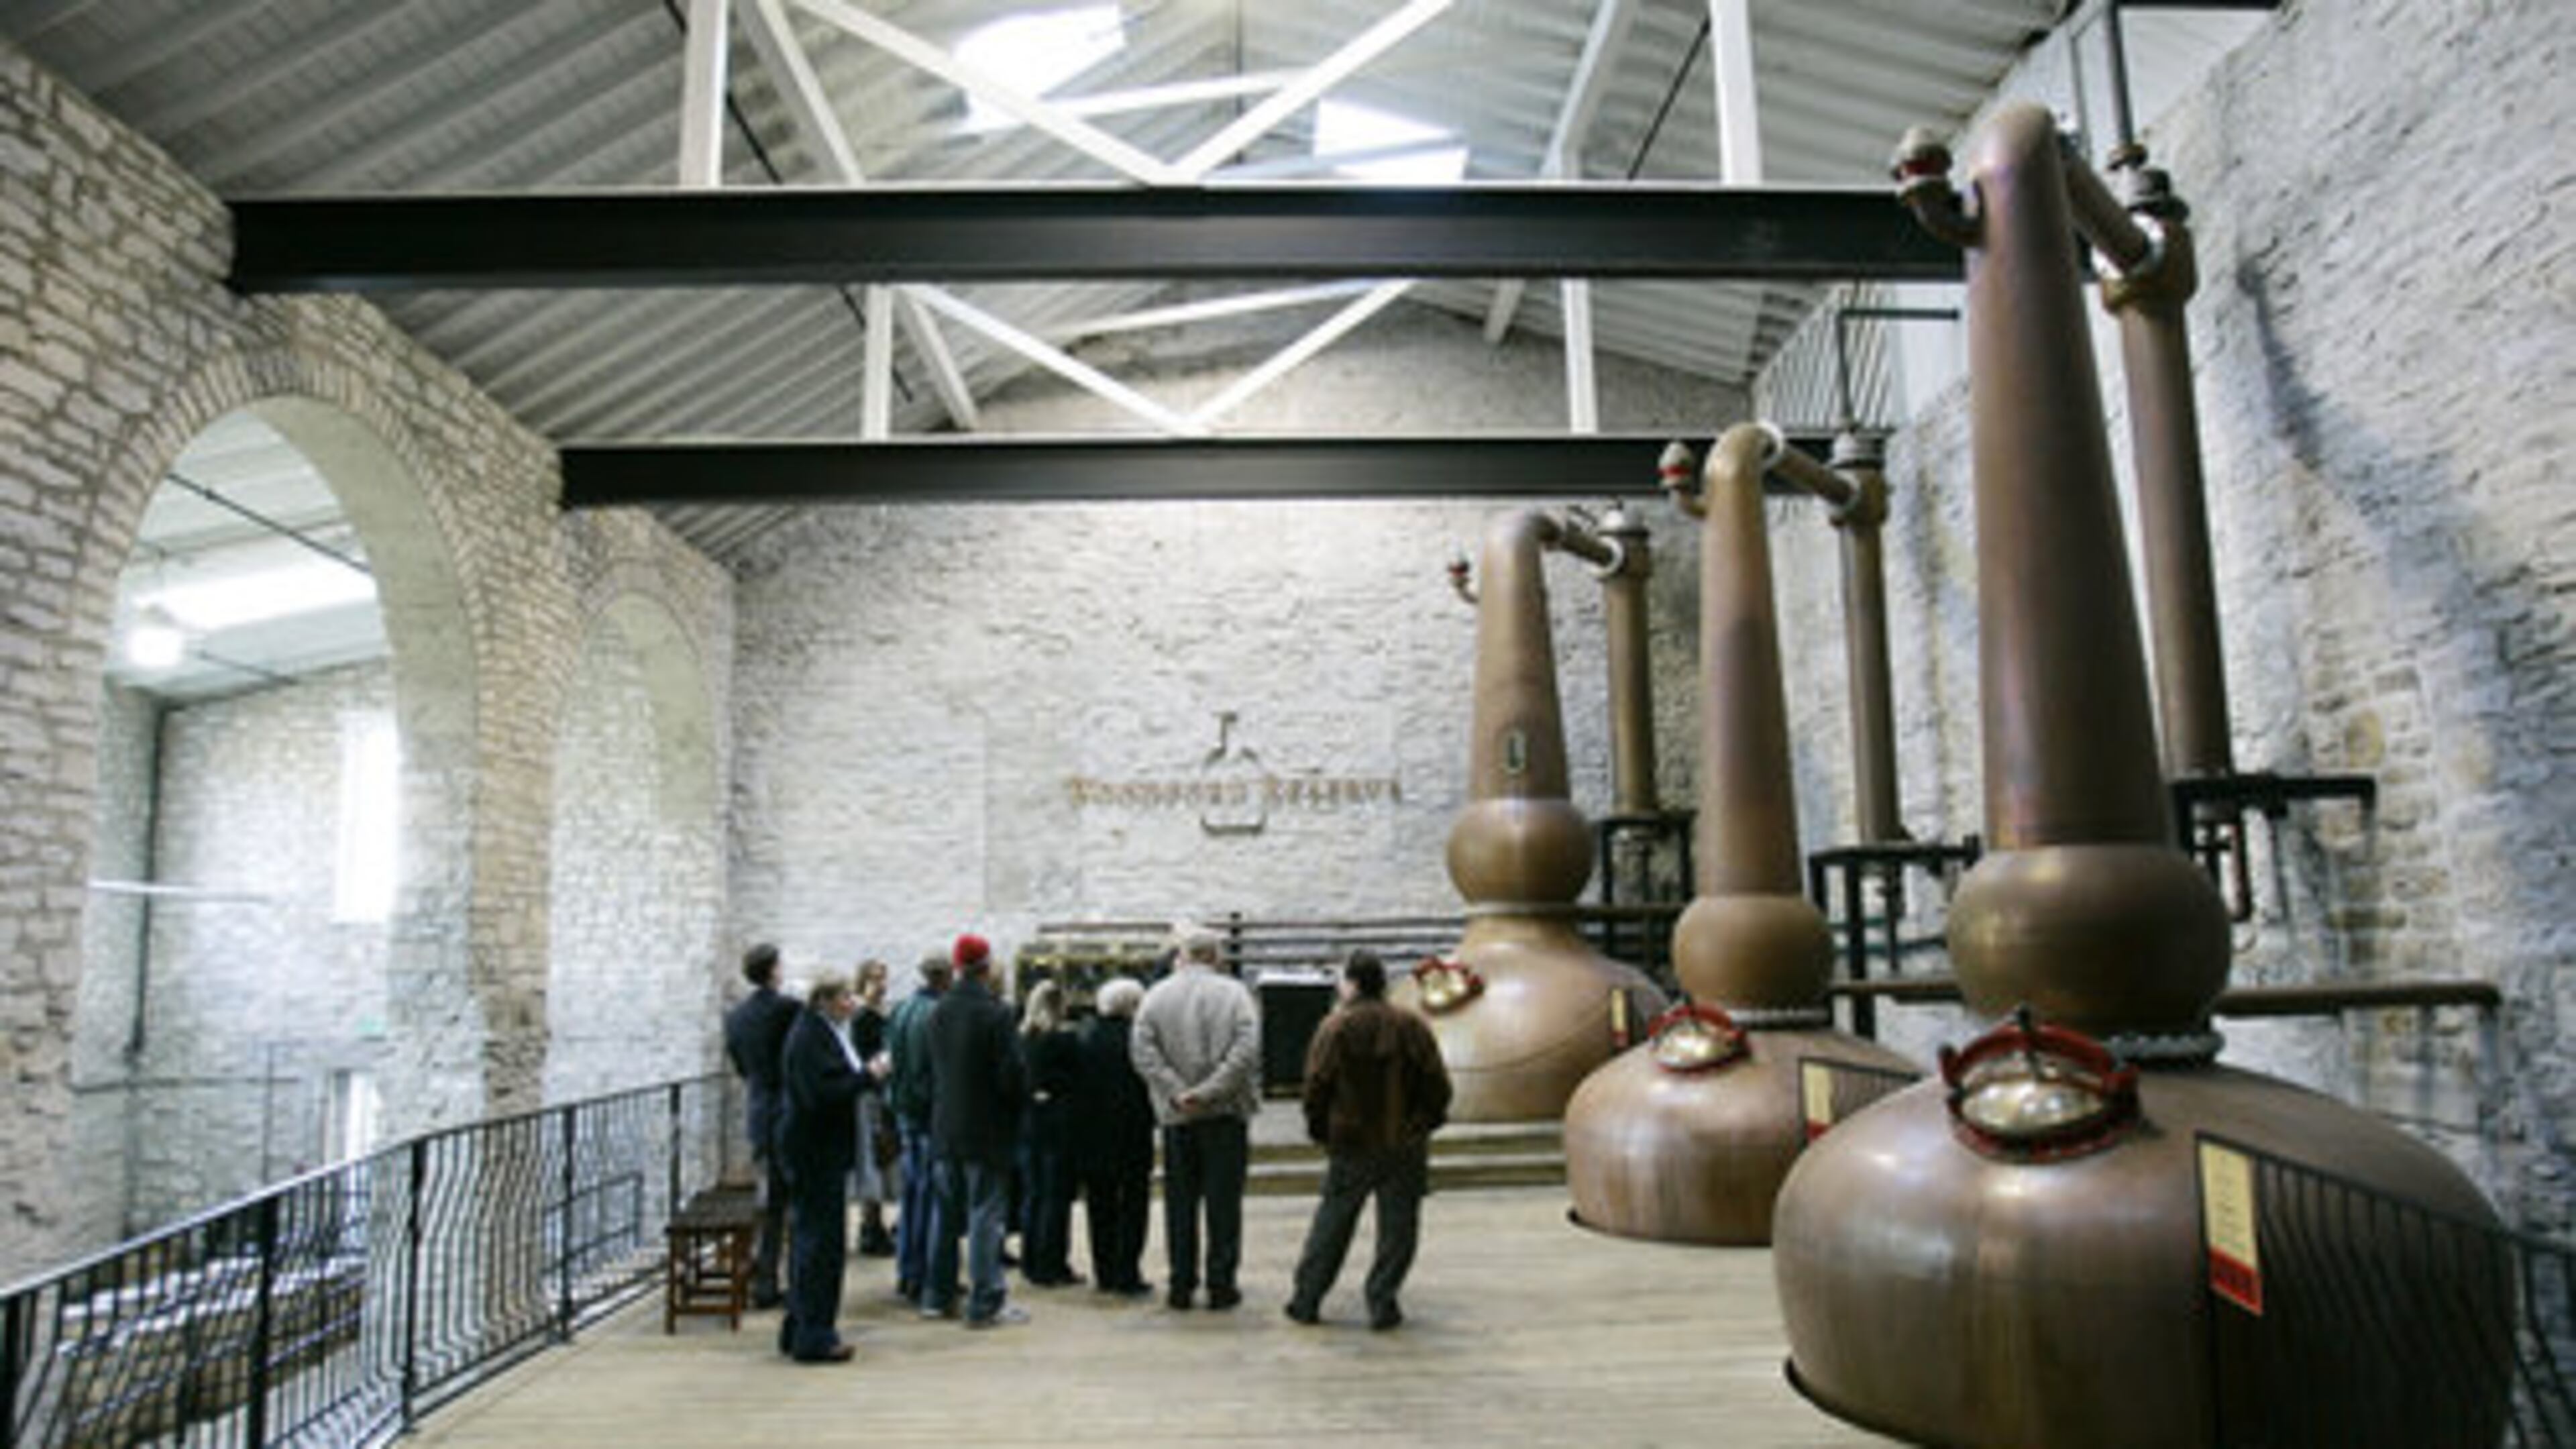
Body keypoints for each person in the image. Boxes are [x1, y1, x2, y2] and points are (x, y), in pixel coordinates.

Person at [1284, 951, 1452, 1331]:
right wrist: (1424, 1123)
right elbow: (1437, 1083)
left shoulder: (1335, 1028)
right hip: (1404, 1142)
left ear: (1353, 984)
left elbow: (1317, 1087)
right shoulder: (1411, 1025)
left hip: (1351, 1142)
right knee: (1399, 1228)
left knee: (1333, 1224)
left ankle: (1307, 1298)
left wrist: (1320, 1130)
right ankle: (1383, 1301)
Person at [1130, 921, 1262, 1311]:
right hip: (1226, 1113)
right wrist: (1209, 1092)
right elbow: (1246, 1050)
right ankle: (1222, 1285)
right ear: (1217, 957)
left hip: (1177, 1117)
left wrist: (1178, 1093)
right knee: (1224, 1206)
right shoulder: (1236, 994)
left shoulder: (1155, 996)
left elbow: (1142, 1051)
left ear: (1181, 957)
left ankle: (1181, 1284)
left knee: (1180, 1205)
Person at [924, 933, 1029, 1329]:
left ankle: (937, 1295)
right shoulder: (997, 1013)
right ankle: (985, 1301)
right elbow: (1010, 1075)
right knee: (986, 1215)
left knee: (946, 1216)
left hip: (945, 1126)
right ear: (986, 967)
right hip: (986, 1130)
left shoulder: (939, 1011)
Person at [775, 970, 879, 1363]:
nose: (850, 1004)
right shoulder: (810, 1036)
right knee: (821, 1245)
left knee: (811, 1240)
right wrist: (868, 1076)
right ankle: (815, 1336)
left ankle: (799, 1327)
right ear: (823, 1000)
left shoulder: (817, 1032)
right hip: (814, 1151)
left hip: (816, 1150)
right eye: (843, 997)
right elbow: (823, 1094)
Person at [721, 943, 800, 1310]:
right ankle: (794, 1279)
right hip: (788, 1111)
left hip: (758, 1111)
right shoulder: (787, 1010)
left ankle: (764, 1279)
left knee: (770, 1202)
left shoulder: (736, 1017)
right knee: (795, 1202)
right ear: (773, 971)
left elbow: (740, 1065)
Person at [1074, 976, 1156, 1298]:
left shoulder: (1085, 1036)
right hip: (1132, 1132)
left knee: (1100, 1205)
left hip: (1092, 1135)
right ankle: (1128, 1272)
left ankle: (1104, 1271)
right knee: (1133, 1205)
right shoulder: (1137, 1040)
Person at [884, 953, 950, 1305]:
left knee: (912, 1194)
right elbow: (937, 1069)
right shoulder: (936, 1014)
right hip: (927, 1113)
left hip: (904, 1110)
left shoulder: (902, 1009)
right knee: (931, 1196)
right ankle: (926, 1274)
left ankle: (907, 1270)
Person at [1015, 979, 1085, 1287]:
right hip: (1060, 1125)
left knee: (1033, 1194)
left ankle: (1030, 1261)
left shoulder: (1021, 1039)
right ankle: (1053, 1264)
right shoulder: (1064, 1041)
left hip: (1029, 1124)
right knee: (1056, 1198)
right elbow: (1081, 1081)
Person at [849, 958, 898, 1258]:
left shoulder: (880, 1012)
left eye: (884, 977)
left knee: (883, 1156)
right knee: (874, 1156)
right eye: (876, 978)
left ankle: (874, 1222)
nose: (881, 984)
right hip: (870, 1092)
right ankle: (870, 1225)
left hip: (882, 1089)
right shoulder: (863, 1016)